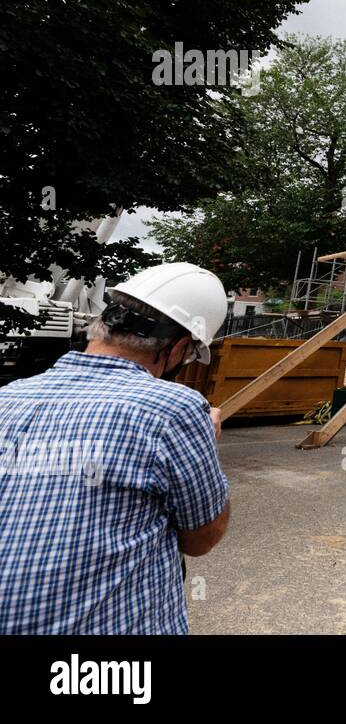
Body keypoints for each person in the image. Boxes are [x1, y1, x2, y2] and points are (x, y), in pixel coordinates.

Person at [0, 262, 231, 634]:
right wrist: (205, 446)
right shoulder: (174, 408)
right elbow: (202, 537)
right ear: (180, 348)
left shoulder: (7, 398)